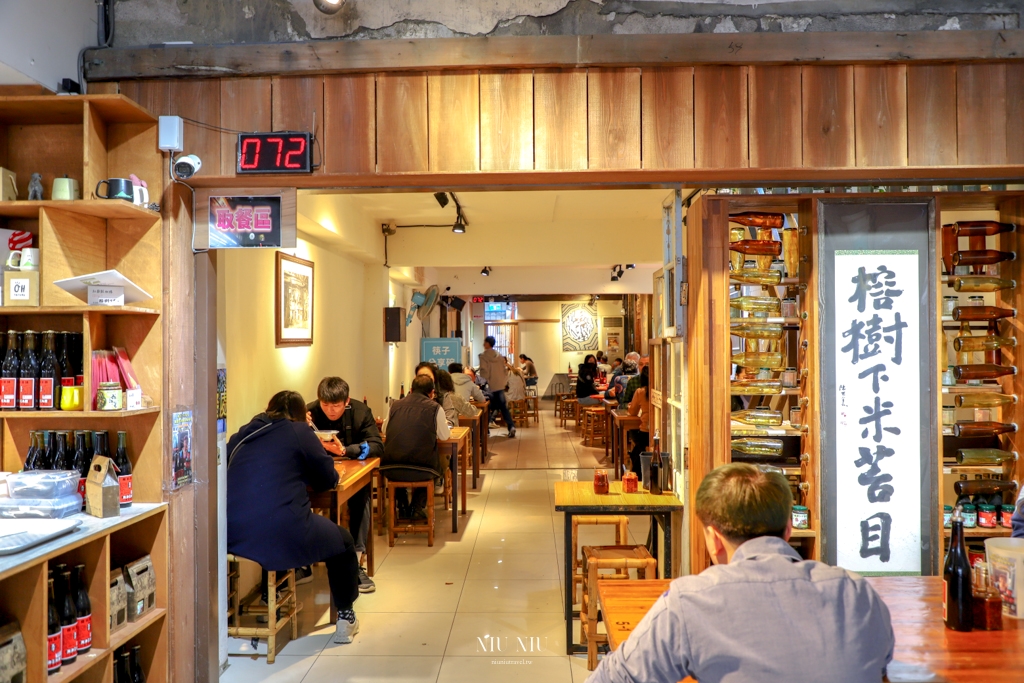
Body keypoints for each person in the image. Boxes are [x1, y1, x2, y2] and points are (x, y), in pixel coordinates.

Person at [590, 463, 894, 683]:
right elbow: (879, 665)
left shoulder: (690, 603)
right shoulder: (856, 593)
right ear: (789, 529)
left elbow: (616, 678)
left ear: (713, 539)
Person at [227, 391, 360, 644]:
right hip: (283, 529)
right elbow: (326, 478)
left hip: (230, 530)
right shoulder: (300, 432)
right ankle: (345, 618)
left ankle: (270, 597)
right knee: (343, 542)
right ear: (302, 415)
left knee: (271, 523)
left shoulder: (246, 431)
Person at [306, 377, 380, 594]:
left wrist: (347, 451)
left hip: (352, 471)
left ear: (346, 401)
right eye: (325, 405)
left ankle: (356, 562)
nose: (330, 411)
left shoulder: (360, 411)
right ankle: (302, 564)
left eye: (336, 405)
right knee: (298, 500)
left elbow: (377, 445)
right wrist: (299, 423)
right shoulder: (309, 414)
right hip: (318, 475)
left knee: (361, 497)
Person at [381, 375, 452, 518]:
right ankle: (417, 506)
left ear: (411, 390)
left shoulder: (395, 405)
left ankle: (402, 505)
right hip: (423, 470)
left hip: (390, 468)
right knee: (437, 465)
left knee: (401, 464)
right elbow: (444, 436)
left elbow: (384, 430)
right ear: (432, 392)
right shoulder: (435, 408)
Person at [478, 336, 516, 438]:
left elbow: (484, 372)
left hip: (489, 387)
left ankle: (486, 430)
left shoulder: (483, 356)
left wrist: (484, 382)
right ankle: (511, 426)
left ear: (487, 344)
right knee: (504, 408)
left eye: (484, 342)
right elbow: (504, 372)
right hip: (499, 386)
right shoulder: (499, 356)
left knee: (486, 407)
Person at [416, 361, 457, 427]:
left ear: (434, 379)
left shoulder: (443, 396)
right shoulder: (411, 396)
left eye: (428, 376)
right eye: (420, 376)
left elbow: (450, 422)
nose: (424, 379)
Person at [626, 368, 650, 475]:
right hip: (661, 432)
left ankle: (636, 473)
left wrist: (630, 406)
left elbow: (632, 412)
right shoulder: (661, 391)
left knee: (633, 434)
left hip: (645, 432)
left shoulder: (640, 392)